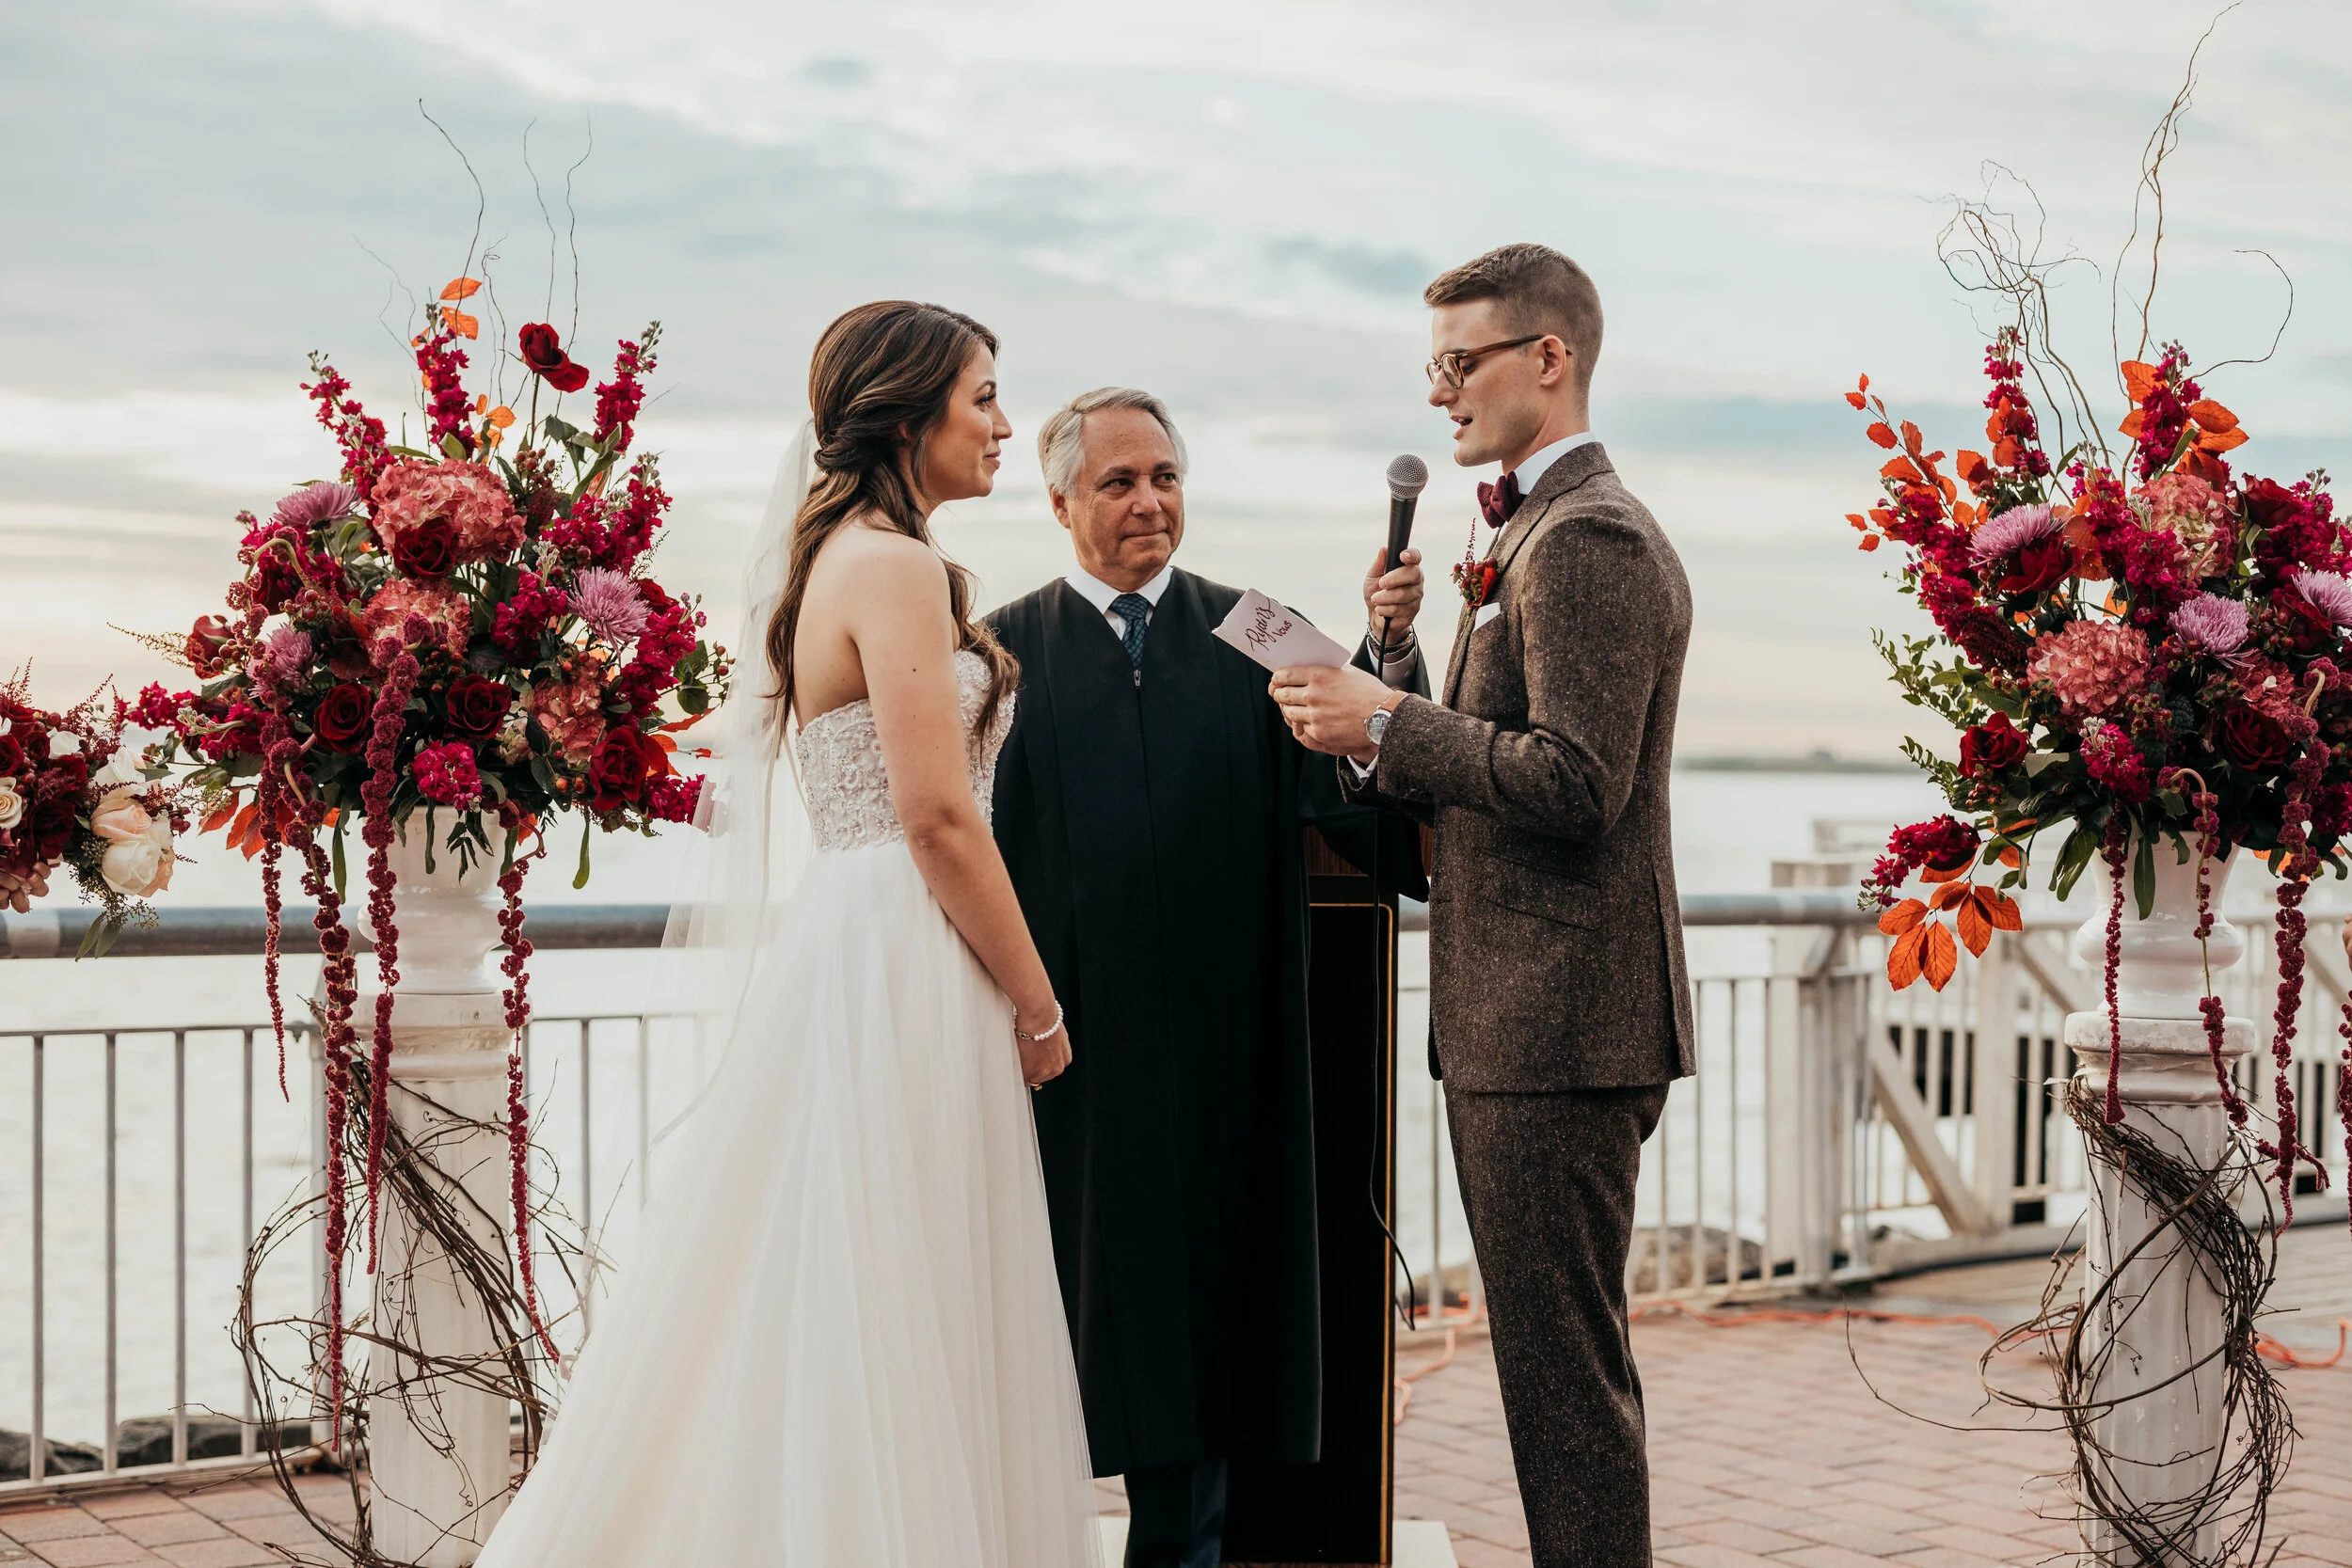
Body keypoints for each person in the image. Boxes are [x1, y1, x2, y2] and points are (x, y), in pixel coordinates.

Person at [475, 301, 1102, 1568]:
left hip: (864, 932)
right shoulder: (894, 566)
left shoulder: (845, 558)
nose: (1003, 423)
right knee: (904, 1268)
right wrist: (1039, 1002)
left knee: (853, 1266)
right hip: (907, 937)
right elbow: (938, 816)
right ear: (908, 414)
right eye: (983, 395)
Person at [1272, 243, 1695, 1568]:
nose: (1439, 390)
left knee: (1564, 1391)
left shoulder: (1589, 538)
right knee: (1553, 1377)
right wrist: (1395, 662)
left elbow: (1577, 781)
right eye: (1432, 365)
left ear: (1548, 357)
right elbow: (1499, 750)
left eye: (1460, 361)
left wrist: (1383, 718)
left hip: (1560, 1022)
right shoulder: (1523, 532)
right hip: (1531, 1018)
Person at [985, 388, 1426, 1568]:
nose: (1150, 501)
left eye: (1166, 475)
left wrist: (1386, 654)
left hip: (1238, 1041)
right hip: (1070, 1053)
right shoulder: (998, 650)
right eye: (1119, 480)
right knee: (1066, 1310)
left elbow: (1371, 775)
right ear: (1060, 501)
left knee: (1223, 1312)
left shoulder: (1264, 626)